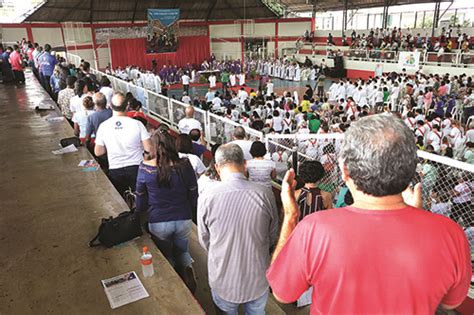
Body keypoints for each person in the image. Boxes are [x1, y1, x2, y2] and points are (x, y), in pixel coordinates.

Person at [267, 114, 471, 314]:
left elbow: (282, 293)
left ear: (345, 172)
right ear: (410, 172)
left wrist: (291, 216)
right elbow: (449, 302)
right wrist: (420, 223)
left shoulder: (314, 229)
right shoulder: (449, 233)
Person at [197, 144, 279, 314]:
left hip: (224, 279)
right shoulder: (264, 194)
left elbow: (204, 239)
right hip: (257, 277)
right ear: (244, 164)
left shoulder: (207, 197)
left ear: (218, 167)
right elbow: (272, 235)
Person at [135, 128, 197, 292]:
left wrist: (139, 213)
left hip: (158, 221)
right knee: (183, 251)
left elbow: (140, 198)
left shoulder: (145, 168)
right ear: (172, 145)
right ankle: (188, 271)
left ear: (153, 147)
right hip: (183, 218)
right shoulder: (184, 164)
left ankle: (175, 287)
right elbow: (193, 191)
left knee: (167, 255)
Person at [94, 92, 152, 197]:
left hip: (115, 168)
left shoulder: (103, 126)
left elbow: (98, 152)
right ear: (127, 106)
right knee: (140, 197)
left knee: (121, 200)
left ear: (111, 106)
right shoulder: (137, 124)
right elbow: (149, 148)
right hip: (136, 166)